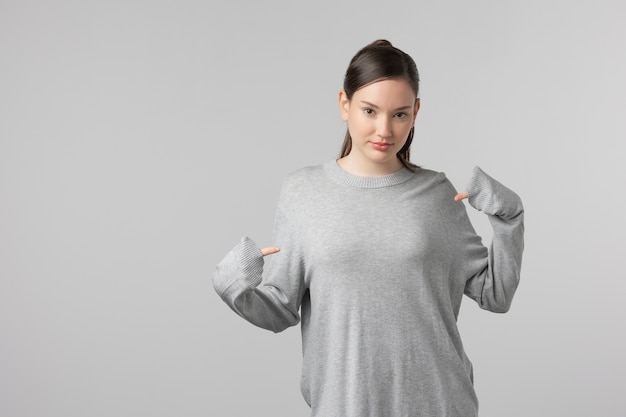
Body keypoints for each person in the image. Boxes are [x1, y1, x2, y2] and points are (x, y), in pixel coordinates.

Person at [212, 39, 524, 417]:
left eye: (400, 114)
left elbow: (495, 294)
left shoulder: (437, 193)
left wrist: (509, 219)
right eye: (370, 110)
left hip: (439, 404)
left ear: (416, 113)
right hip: (344, 405)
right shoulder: (303, 191)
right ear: (345, 104)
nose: (384, 129)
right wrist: (233, 287)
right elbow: (280, 309)